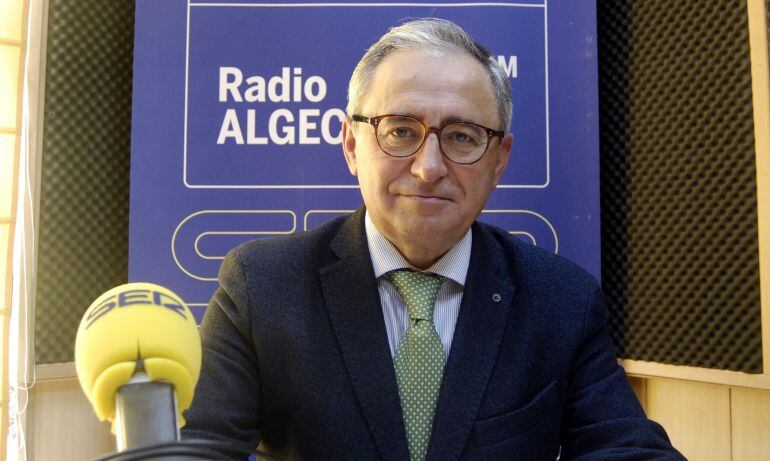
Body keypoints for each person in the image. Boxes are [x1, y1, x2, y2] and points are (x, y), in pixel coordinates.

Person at [183, 18, 685, 460]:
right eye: (400, 131)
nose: (428, 168)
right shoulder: (262, 286)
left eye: (462, 136)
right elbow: (200, 445)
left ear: (499, 161)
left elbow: (625, 447)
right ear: (352, 144)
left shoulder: (562, 301)